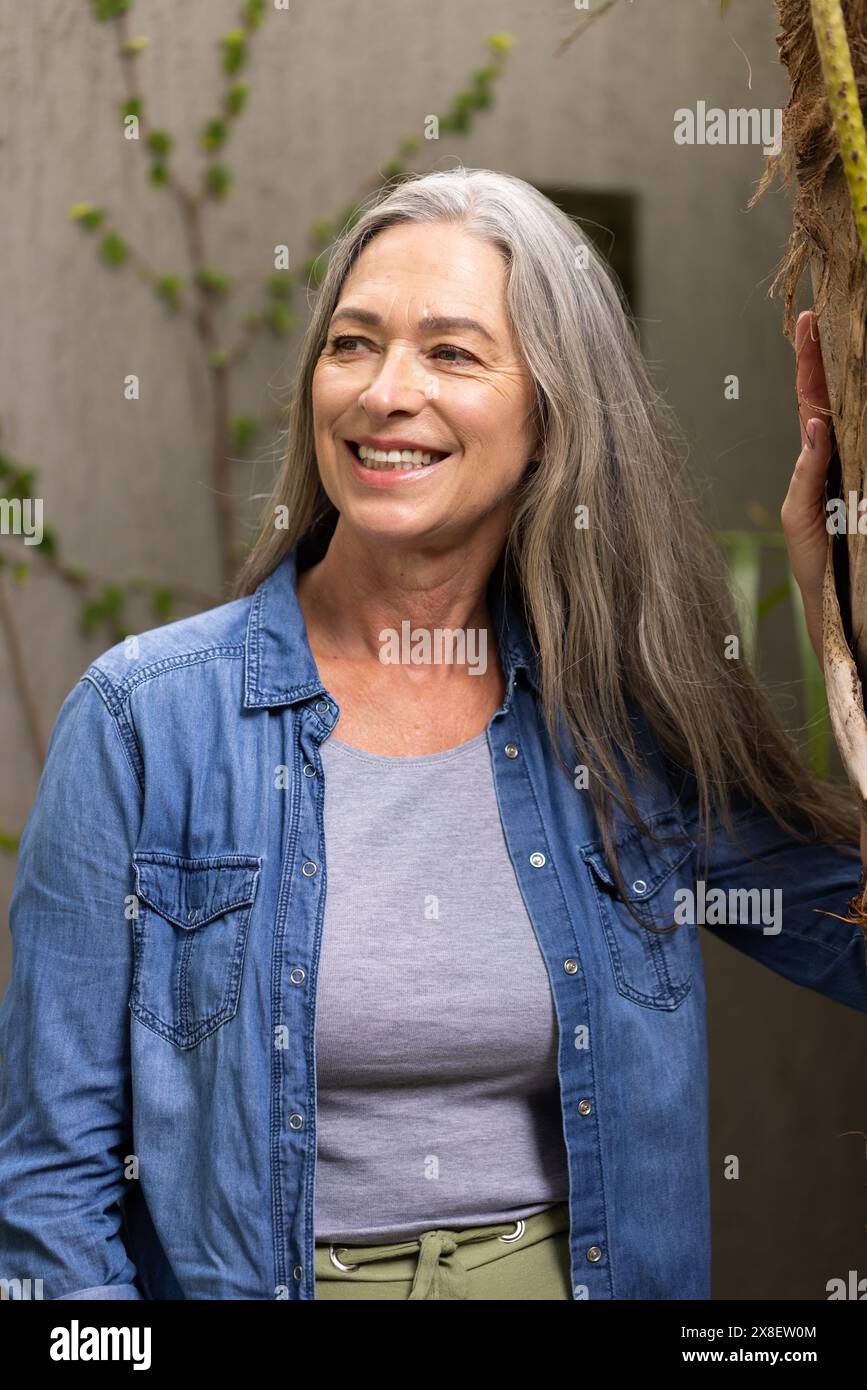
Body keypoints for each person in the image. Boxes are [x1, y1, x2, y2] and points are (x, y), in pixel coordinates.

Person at [0, 168, 864, 1303]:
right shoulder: (144, 720)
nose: (383, 393)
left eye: (452, 353)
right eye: (353, 343)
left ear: (554, 412)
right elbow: (50, 1191)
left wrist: (839, 613)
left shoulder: (626, 718)